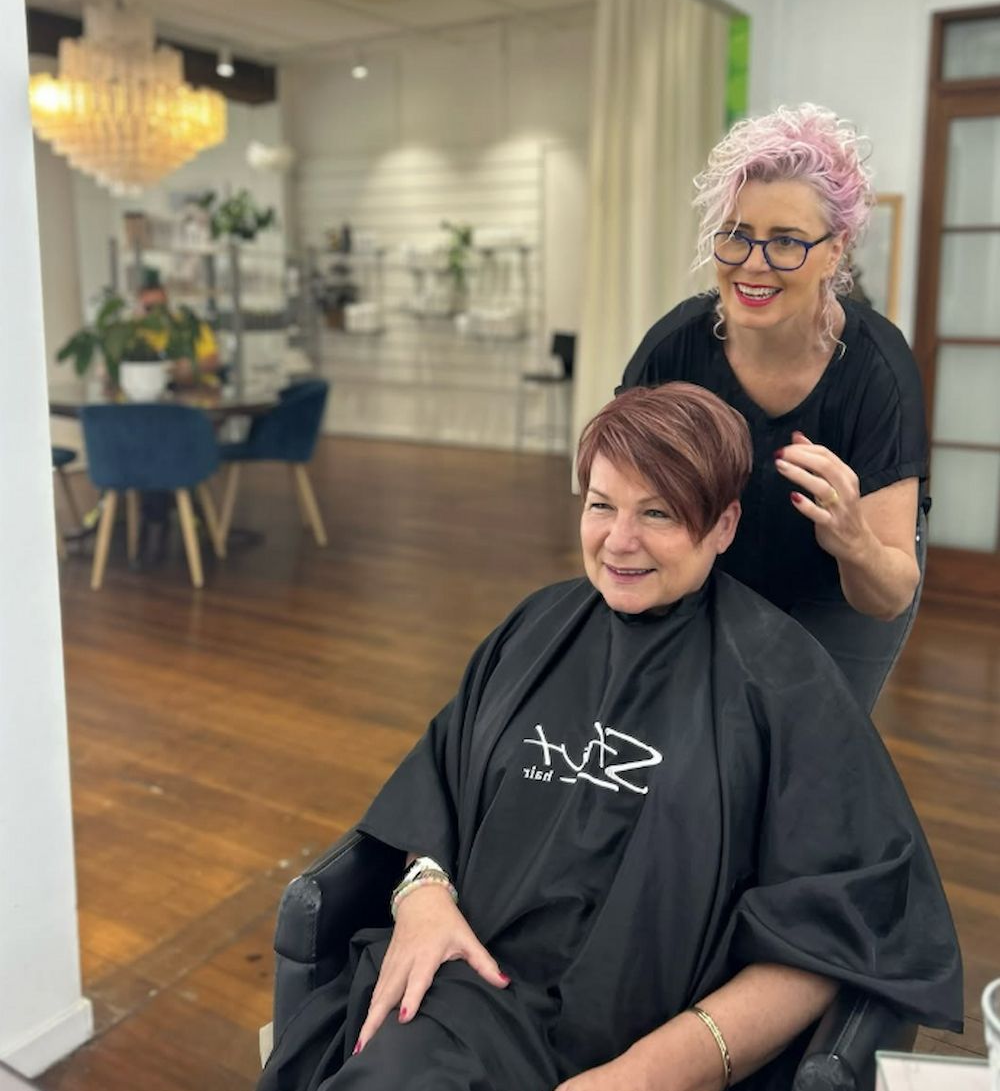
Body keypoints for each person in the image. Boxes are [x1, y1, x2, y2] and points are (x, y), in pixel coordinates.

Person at [258, 384, 961, 1091]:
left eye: (657, 512)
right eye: (602, 504)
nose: (619, 541)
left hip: (658, 1036)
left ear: (724, 524)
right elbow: (437, 783)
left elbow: (832, 934)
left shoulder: (786, 681)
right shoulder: (534, 629)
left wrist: (647, 1073)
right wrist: (425, 891)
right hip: (464, 1001)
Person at [621, 104, 927, 709]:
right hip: (709, 573)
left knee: (808, 750)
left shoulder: (876, 371)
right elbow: (617, 501)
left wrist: (852, 537)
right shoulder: (673, 350)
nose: (753, 264)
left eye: (786, 241)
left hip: (835, 592)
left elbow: (889, 594)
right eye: (737, 236)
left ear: (834, 253)